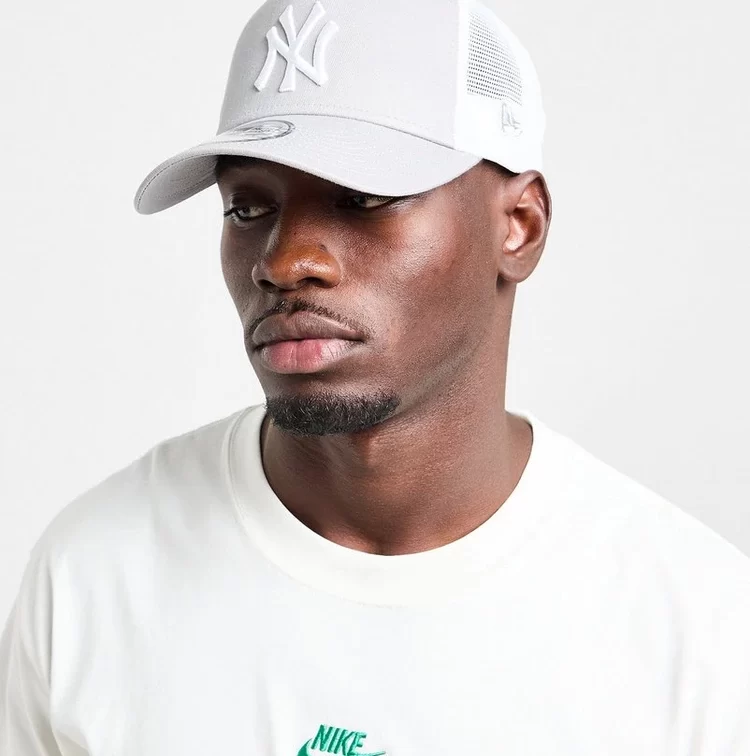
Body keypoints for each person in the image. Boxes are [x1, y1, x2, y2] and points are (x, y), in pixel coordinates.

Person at [2, 0, 749, 753]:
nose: (284, 262)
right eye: (248, 208)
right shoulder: (94, 578)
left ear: (519, 226)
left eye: (364, 198)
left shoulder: (699, 634)